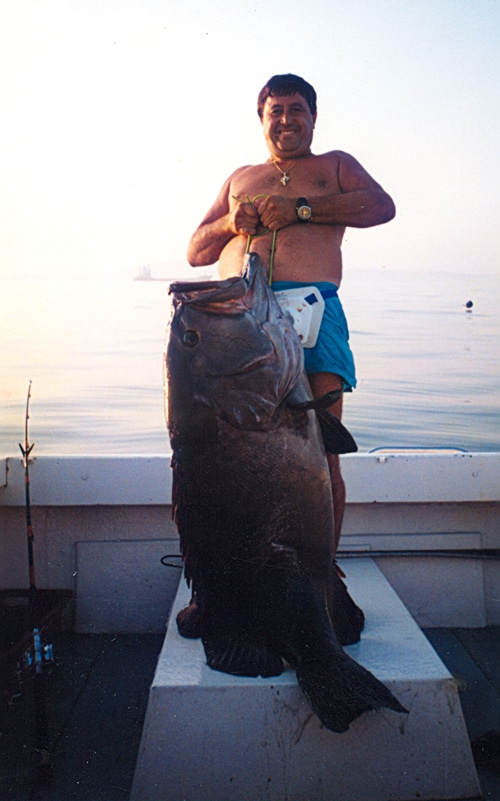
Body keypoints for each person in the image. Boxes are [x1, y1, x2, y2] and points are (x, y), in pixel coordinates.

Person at [187, 73, 395, 556]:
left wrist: (301, 209)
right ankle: (225, 578)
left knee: (322, 451)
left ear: (314, 118)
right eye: (275, 110)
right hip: (236, 319)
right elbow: (196, 250)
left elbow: (381, 207)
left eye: (296, 109)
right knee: (229, 453)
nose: (286, 119)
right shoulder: (240, 178)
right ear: (261, 119)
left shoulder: (335, 165)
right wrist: (227, 221)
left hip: (313, 313)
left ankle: (323, 573)